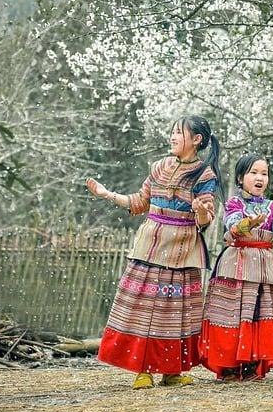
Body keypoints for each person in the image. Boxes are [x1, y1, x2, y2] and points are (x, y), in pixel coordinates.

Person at [85, 115, 222, 389]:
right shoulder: (158, 167)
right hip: (149, 249)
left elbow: (206, 219)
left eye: (178, 133)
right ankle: (143, 370)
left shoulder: (205, 175)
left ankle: (172, 371)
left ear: (196, 140)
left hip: (182, 252)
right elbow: (139, 203)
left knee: (175, 313)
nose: (172, 137)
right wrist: (106, 194)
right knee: (146, 310)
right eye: (171, 132)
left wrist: (200, 211)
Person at [199, 154, 273, 381]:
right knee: (232, 314)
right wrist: (248, 223)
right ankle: (229, 364)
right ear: (240, 177)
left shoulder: (272, 206)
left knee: (260, 312)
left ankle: (252, 363)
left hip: (266, 265)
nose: (260, 178)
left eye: (264, 174)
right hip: (237, 262)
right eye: (253, 173)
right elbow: (233, 225)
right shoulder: (233, 203)